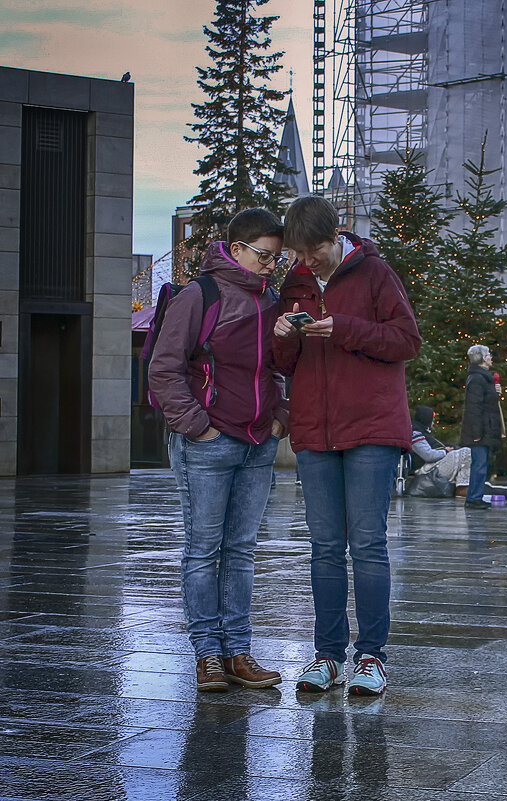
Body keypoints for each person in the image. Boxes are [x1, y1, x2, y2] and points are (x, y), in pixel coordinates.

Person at [273, 195, 421, 696]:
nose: (307, 260)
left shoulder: (376, 274)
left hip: (372, 428)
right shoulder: (294, 284)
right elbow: (281, 361)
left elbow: (406, 340)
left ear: (336, 235)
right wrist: (283, 334)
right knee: (324, 548)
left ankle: (372, 658)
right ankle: (327, 656)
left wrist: (348, 329)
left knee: (368, 544)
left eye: (314, 249)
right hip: (315, 429)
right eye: (299, 252)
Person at [149, 208, 289, 693]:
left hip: (258, 442)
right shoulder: (199, 295)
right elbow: (164, 369)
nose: (273, 265)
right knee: (203, 550)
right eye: (266, 255)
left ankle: (238, 652)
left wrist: (280, 418)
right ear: (238, 248)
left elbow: (280, 366)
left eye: (279, 257)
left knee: (242, 551)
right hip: (209, 442)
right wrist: (196, 427)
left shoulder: (271, 300)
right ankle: (208, 654)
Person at [461, 344, 503, 509]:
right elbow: (474, 407)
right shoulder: (478, 379)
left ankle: (475, 496)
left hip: (485, 427)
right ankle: (474, 497)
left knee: (481, 463)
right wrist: (476, 432)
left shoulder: (483, 378)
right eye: (489, 355)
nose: (491, 357)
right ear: (483, 358)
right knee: (479, 464)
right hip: (481, 429)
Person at [409, 405, 472, 497]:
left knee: (464, 453)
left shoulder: (423, 432)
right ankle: (462, 488)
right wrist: (445, 452)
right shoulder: (415, 433)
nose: (433, 422)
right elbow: (428, 455)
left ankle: (464, 486)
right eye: (432, 419)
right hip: (426, 470)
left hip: (432, 466)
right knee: (467, 452)